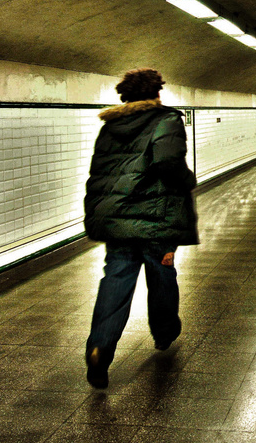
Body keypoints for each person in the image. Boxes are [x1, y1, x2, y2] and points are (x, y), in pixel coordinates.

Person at [83, 67, 198, 389]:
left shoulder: (111, 126)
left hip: (117, 218)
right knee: (161, 275)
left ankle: (100, 347)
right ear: (156, 93)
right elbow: (168, 163)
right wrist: (188, 180)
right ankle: (164, 333)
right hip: (155, 218)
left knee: (116, 280)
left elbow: (99, 172)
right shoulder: (166, 120)